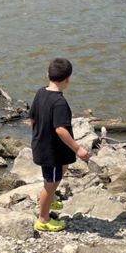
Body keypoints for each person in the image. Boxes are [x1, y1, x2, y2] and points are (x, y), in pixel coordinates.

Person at [29, 58, 90, 233]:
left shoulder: (41, 93)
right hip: (51, 151)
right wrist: (78, 148)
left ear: (47, 75)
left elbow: (32, 118)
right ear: (68, 80)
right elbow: (61, 130)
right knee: (50, 182)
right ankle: (43, 219)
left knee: (64, 166)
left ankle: (51, 198)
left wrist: (37, 136)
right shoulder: (60, 103)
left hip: (43, 145)